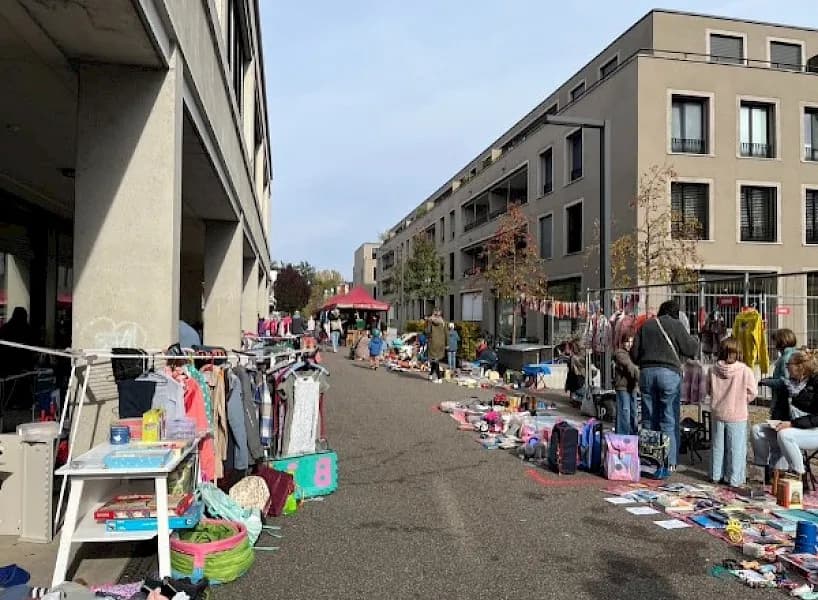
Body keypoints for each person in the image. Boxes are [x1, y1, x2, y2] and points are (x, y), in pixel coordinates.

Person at [630, 300, 699, 477]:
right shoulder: (675, 325)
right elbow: (690, 348)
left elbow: (634, 354)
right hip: (669, 374)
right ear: (676, 313)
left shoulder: (645, 326)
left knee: (648, 418)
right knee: (668, 418)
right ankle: (669, 463)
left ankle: (648, 460)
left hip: (646, 373)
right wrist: (695, 340)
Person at [752, 351, 818, 478]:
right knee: (757, 430)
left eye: (789, 364)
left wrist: (792, 423)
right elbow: (781, 410)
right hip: (793, 426)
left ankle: (798, 474)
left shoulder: (815, 383)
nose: (786, 367)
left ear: (800, 366)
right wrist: (776, 422)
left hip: (813, 430)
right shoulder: (787, 385)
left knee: (785, 435)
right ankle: (767, 469)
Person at [707, 337, 757, 487]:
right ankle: (735, 478)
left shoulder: (712, 369)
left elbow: (708, 390)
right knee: (736, 447)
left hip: (718, 412)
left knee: (717, 446)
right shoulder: (745, 370)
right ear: (738, 352)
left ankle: (716, 475)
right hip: (737, 413)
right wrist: (742, 400)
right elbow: (753, 392)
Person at [760, 328, 798, 422]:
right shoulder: (794, 354)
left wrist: (766, 382)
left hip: (783, 400)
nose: (774, 344)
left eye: (775, 341)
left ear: (782, 341)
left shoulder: (786, 358)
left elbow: (785, 381)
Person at [613, 330, 639, 435]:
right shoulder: (620, 353)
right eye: (627, 342)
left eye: (632, 342)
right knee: (625, 412)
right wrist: (641, 378)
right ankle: (622, 437)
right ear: (623, 342)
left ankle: (632, 437)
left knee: (633, 413)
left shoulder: (634, 354)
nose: (629, 344)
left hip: (632, 387)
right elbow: (630, 367)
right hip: (622, 387)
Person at [426, 310, 446, 382]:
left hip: (433, 342)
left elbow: (427, 331)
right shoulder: (443, 322)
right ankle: (430, 375)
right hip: (441, 343)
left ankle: (439, 378)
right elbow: (446, 333)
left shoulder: (430, 321)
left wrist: (427, 322)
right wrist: (447, 344)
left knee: (435, 361)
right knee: (435, 360)